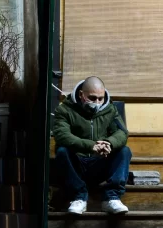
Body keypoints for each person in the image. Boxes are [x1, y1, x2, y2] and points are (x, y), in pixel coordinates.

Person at [52, 76, 131, 215]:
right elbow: (62, 135)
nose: (97, 102)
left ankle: (111, 198)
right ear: (82, 94)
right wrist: (91, 146)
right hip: (76, 165)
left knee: (124, 151)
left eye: (100, 98)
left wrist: (109, 143)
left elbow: (122, 132)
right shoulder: (64, 110)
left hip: (99, 164)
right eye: (92, 98)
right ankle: (79, 197)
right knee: (62, 151)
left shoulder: (110, 110)